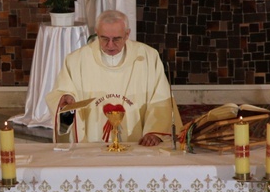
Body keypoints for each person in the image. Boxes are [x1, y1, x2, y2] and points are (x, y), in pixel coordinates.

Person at [45, 10, 182, 146]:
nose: (110, 45)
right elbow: (62, 93)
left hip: (138, 146)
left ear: (127, 34)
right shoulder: (76, 60)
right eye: (104, 38)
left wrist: (154, 132)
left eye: (116, 39)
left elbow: (160, 100)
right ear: (97, 33)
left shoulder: (148, 57)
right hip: (91, 149)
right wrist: (66, 99)